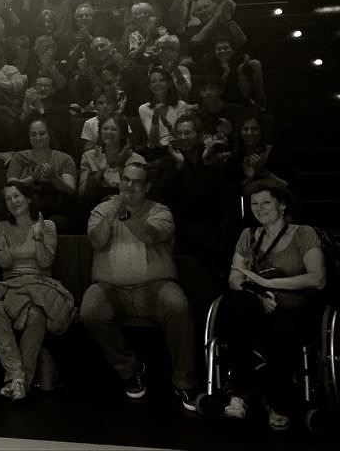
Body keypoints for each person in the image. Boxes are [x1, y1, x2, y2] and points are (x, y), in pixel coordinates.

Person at [80, 162, 200, 411]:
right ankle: (129, 369)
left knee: (178, 305)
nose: (130, 185)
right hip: (111, 289)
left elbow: (150, 236)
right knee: (89, 309)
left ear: (147, 187)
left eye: (137, 181)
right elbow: (96, 241)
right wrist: (112, 214)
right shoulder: (102, 210)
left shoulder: (160, 211)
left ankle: (184, 380)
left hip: (154, 287)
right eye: (126, 179)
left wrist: (125, 214)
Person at [216, 181, 326, 430]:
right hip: (256, 304)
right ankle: (240, 394)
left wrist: (271, 283)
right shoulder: (249, 235)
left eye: (266, 202)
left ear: (282, 204)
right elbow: (236, 276)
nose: (259, 208)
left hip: (291, 307)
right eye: (254, 203)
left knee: (284, 327)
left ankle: (277, 401)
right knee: (236, 303)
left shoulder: (303, 233)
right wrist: (259, 292)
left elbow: (317, 278)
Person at [0, 183, 73, 401]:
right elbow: (5, 263)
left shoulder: (46, 225)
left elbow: (45, 261)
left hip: (40, 282)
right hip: (11, 285)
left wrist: (37, 237)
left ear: (28, 199)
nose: (13, 201)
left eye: (17, 196)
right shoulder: (1, 227)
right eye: (8, 199)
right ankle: (18, 378)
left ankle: (19, 380)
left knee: (36, 314)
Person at [5, 118, 78, 232]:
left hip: (55, 209)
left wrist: (54, 177)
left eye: (42, 133)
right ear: (29, 137)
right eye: (34, 134)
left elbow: (70, 189)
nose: (38, 138)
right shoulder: (19, 157)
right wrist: (32, 178)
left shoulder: (64, 158)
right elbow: (10, 185)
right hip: (25, 209)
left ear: (50, 134)